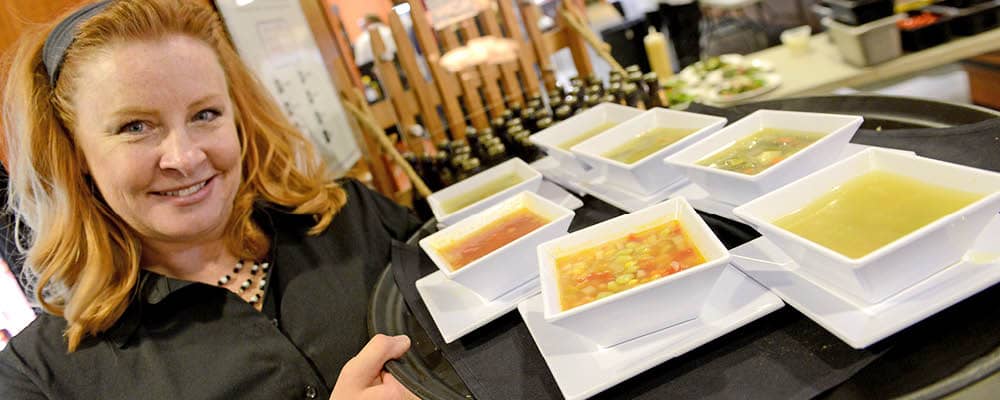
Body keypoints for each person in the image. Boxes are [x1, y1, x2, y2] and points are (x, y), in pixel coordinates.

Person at [0, 1, 422, 398]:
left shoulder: (351, 217)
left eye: (205, 114)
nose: (184, 158)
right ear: (75, 152)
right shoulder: (38, 377)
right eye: (135, 127)